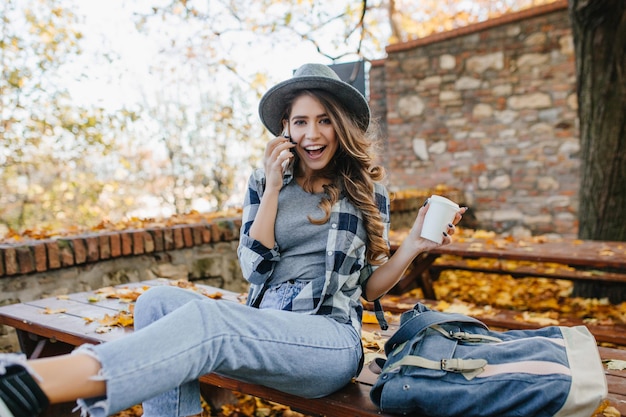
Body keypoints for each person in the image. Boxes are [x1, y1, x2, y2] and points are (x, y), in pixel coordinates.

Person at [0, 63, 466, 417]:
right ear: (286, 127)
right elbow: (253, 268)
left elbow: (366, 288)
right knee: (155, 303)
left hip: (328, 340)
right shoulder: (263, 182)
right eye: (300, 122)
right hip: (264, 325)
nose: (312, 133)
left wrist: (413, 248)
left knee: (209, 321)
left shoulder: (366, 189)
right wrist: (272, 186)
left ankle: (39, 383)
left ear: (340, 127)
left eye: (324, 121)